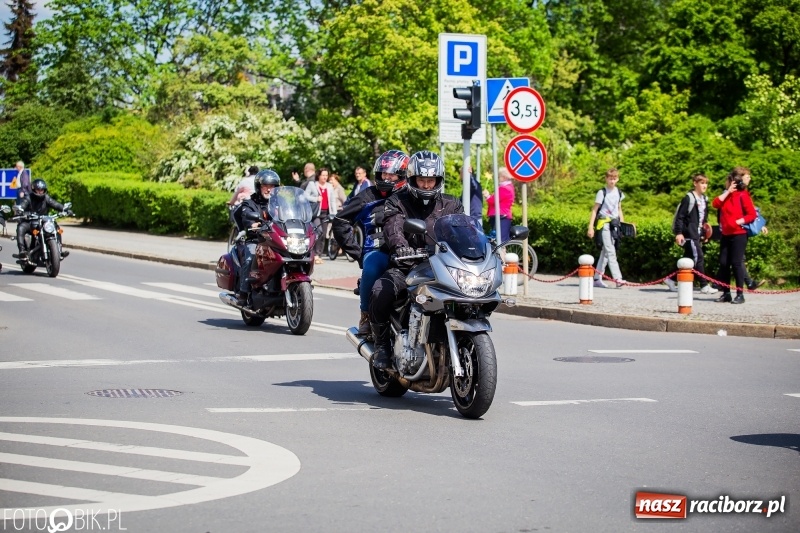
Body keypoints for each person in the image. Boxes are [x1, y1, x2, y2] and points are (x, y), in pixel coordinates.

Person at [369, 150, 463, 369]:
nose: (427, 185)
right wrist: (401, 248)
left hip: (443, 267)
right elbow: (393, 226)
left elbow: (463, 227)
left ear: (439, 180)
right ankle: (382, 345)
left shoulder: (451, 204)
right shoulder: (397, 201)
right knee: (380, 291)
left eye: (431, 180)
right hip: (409, 265)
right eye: (422, 180)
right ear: (412, 179)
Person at [332, 150, 409, 337]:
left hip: (408, 249)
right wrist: (358, 254)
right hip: (377, 249)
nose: (387, 177)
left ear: (402, 175)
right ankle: (366, 315)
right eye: (384, 173)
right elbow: (340, 222)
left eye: (391, 174)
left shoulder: (410, 196)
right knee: (373, 266)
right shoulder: (368, 196)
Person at [712, 167, 758, 304]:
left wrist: (739, 221)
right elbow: (715, 203)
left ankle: (740, 294)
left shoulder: (743, 195)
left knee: (736, 263)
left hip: (739, 234)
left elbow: (752, 214)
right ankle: (726, 293)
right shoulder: (727, 195)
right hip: (726, 234)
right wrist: (727, 192)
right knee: (724, 263)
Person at [235, 169, 281, 306]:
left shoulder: (279, 202)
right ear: (259, 187)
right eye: (265, 186)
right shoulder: (250, 203)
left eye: (272, 186)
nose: (268, 189)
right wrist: (252, 224)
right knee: (250, 258)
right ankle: (243, 292)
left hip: (275, 240)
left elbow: (290, 215)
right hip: (256, 239)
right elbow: (246, 217)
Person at [665, 174, 716, 294]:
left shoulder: (704, 199)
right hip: (689, 234)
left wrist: (704, 233)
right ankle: (704, 285)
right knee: (698, 257)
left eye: (706, 183)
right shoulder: (689, 198)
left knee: (688, 258)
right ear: (695, 183)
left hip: (697, 234)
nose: (704, 186)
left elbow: (704, 218)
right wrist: (679, 233)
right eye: (702, 183)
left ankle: (670, 279)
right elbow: (680, 217)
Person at [587, 168, 626, 288]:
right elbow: (594, 210)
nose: (612, 181)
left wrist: (622, 225)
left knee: (605, 252)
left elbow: (619, 209)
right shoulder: (602, 192)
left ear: (617, 179)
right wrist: (590, 227)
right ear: (606, 178)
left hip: (614, 224)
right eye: (610, 179)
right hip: (604, 223)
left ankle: (596, 278)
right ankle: (617, 278)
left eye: (614, 179)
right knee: (610, 251)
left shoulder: (619, 193)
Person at [12, 179, 69, 260]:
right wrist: (20, 210)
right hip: (30, 221)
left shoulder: (46, 198)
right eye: (38, 190)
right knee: (21, 227)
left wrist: (64, 209)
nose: (40, 192)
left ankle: (59, 250)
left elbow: (55, 204)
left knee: (56, 227)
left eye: (42, 190)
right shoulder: (29, 197)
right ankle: (22, 251)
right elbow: (23, 205)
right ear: (34, 189)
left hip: (43, 221)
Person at [305, 167, 338, 264]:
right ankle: (314, 254)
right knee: (318, 232)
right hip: (316, 213)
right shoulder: (312, 185)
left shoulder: (329, 186)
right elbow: (305, 195)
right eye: (323, 175)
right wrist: (315, 199)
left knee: (323, 234)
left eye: (326, 175)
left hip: (326, 213)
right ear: (318, 176)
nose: (325, 177)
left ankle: (318, 254)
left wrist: (334, 214)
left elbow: (332, 201)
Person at [484, 167, 514, 241]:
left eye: (499, 176)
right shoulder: (506, 187)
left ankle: (502, 252)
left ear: (503, 177)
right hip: (500, 216)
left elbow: (494, 200)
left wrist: (487, 196)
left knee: (500, 241)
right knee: (498, 240)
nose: (498, 178)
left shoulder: (505, 188)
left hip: (501, 216)